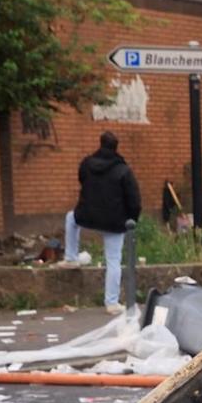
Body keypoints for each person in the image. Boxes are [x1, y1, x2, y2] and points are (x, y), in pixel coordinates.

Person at [66, 131, 142, 315]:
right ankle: (112, 303)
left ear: (100, 144)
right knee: (113, 260)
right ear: (116, 147)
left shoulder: (86, 164)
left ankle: (71, 258)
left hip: (88, 215)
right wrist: (131, 219)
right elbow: (134, 199)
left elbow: (82, 180)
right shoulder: (123, 170)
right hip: (115, 221)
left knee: (70, 218)